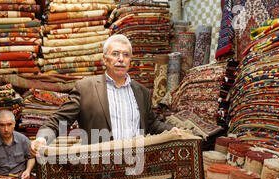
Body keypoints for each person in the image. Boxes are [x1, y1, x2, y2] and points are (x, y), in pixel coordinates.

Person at [30, 34, 178, 156]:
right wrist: (42, 139)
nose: (121, 59)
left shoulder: (142, 92)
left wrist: (170, 131)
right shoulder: (85, 88)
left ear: (130, 60)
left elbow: (151, 124)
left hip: (136, 164)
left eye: (125, 55)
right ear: (104, 59)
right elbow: (58, 120)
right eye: (115, 54)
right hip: (100, 166)